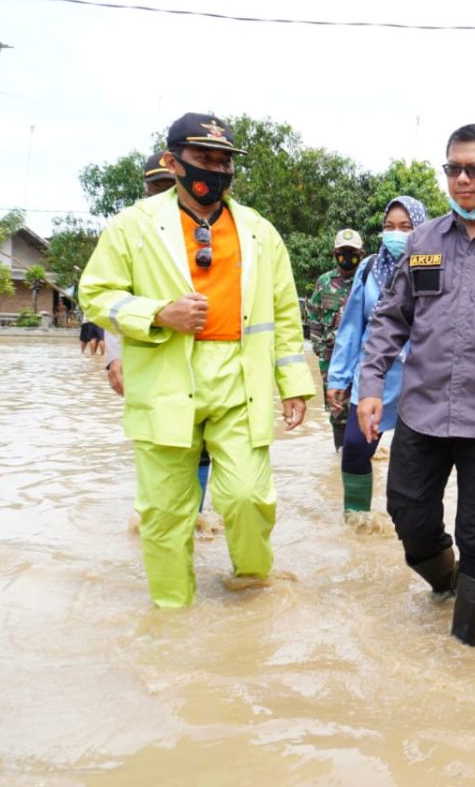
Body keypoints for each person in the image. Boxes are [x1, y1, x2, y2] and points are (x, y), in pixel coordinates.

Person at [79, 112, 316, 608]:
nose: (215, 169)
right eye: (202, 158)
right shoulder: (132, 225)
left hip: (238, 377)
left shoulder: (258, 231)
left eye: (223, 160)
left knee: (248, 496)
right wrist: (158, 313)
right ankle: (172, 612)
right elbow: (96, 294)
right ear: (172, 161)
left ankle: (252, 589)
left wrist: (293, 382)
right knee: (165, 511)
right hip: (164, 377)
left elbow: (284, 313)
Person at [356, 124, 475, 646]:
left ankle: (463, 648)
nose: (461, 179)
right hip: (422, 411)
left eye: (474, 169)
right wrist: (370, 384)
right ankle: (446, 583)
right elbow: (390, 318)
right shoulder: (422, 241)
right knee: (407, 513)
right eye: (453, 169)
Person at [104, 151, 213, 522]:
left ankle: (195, 515)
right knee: (157, 438)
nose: (161, 194)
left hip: (208, 360)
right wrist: (113, 357)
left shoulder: (210, 227)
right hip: (152, 357)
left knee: (199, 445)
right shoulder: (131, 231)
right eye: (155, 187)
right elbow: (114, 300)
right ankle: (161, 514)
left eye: (167, 186)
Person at [326, 197, 428, 520]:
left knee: (413, 461)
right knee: (355, 446)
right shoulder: (370, 268)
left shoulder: (432, 266)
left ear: (421, 230)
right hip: (373, 374)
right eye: (389, 227)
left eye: (405, 227)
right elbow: (352, 326)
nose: (395, 234)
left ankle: (408, 527)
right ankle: (357, 521)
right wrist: (338, 378)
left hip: (418, 378)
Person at [308, 229, 364, 450]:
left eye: (352, 252)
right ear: (334, 253)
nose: (347, 256)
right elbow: (313, 317)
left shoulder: (368, 279)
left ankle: (359, 457)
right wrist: (321, 349)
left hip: (362, 357)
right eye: (343, 252)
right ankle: (340, 456)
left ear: (362, 254)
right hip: (331, 358)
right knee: (337, 409)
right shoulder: (324, 282)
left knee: (362, 405)